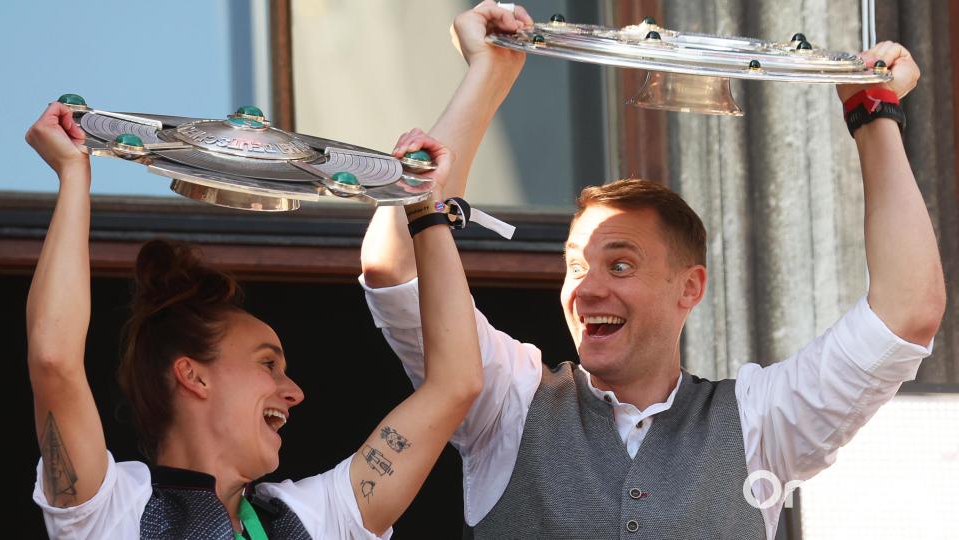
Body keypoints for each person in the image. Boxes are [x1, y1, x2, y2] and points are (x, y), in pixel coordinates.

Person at [360, 2, 946, 539]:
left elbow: (905, 314)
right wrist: (488, 73)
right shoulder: (507, 400)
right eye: (574, 265)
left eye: (619, 264)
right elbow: (398, 265)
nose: (587, 288)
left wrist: (874, 114)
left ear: (690, 288)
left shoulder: (760, 423)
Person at [25, 100, 482, 539]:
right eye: (268, 364)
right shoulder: (113, 512)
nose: (296, 392)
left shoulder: (312, 520)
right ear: (192, 376)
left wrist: (426, 209)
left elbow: (455, 383)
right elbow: (53, 358)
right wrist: (73, 174)